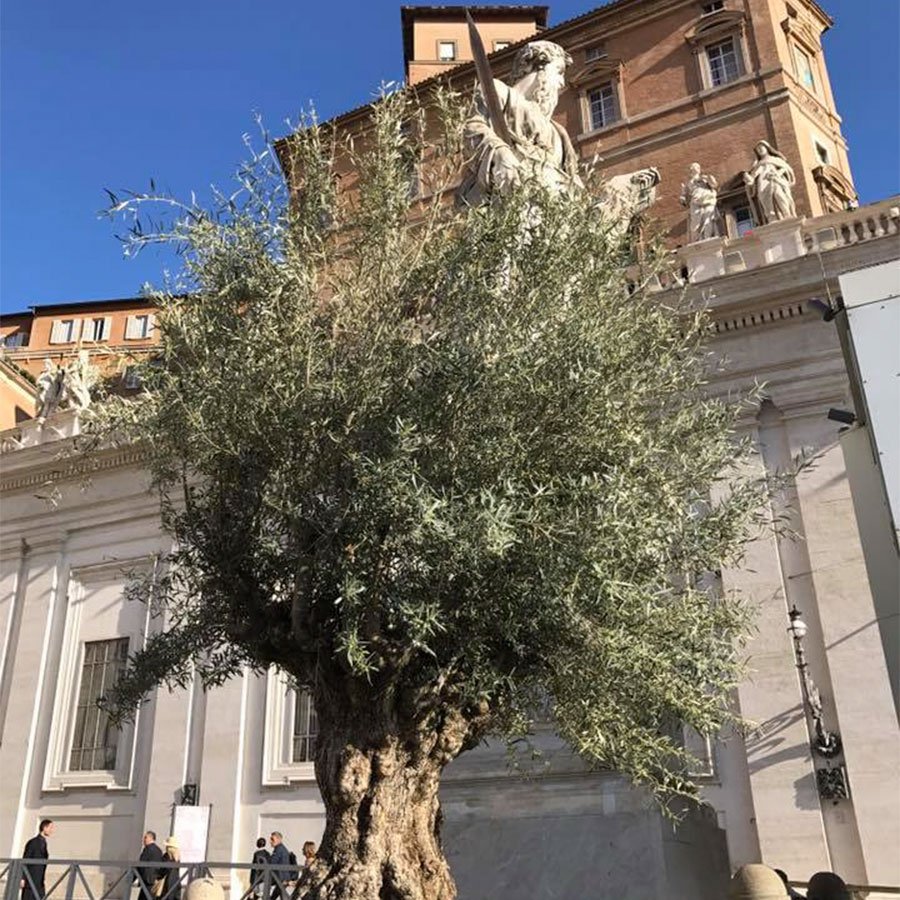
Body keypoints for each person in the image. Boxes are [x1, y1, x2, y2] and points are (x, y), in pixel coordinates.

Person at [460, 39, 582, 203]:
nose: (561, 83)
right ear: (537, 66)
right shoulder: (498, 91)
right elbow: (473, 128)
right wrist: (500, 153)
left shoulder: (558, 131)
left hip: (553, 208)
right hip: (510, 199)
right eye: (559, 71)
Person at [743, 139, 797, 224]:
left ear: (767, 148)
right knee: (765, 199)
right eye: (758, 149)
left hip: (775, 180)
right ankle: (771, 217)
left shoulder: (775, 159)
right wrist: (749, 179)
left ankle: (786, 214)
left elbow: (785, 168)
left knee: (779, 195)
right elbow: (754, 175)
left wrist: (778, 173)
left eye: (761, 147)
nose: (760, 149)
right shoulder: (758, 164)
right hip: (763, 182)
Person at [680, 162, 722, 241]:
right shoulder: (688, 183)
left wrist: (709, 179)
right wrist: (682, 198)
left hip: (707, 198)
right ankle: (698, 239)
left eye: (696, 167)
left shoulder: (704, 178)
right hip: (695, 201)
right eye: (693, 167)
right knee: (695, 222)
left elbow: (714, 185)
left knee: (708, 219)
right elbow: (684, 194)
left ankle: (708, 238)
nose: (694, 168)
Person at [20, 819, 53, 900]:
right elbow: (25, 859)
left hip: (40, 882)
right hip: (30, 880)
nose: (52, 830)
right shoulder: (33, 842)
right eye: (50, 827)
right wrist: (22, 878)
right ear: (44, 828)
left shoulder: (44, 842)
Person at [135, 832, 165, 897]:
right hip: (154, 880)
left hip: (146, 880)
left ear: (151, 838)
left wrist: (133, 877)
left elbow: (141, 864)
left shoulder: (148, 849)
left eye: (146, 837)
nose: (143, 839)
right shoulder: (159, 850)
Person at [268, 832, 292, 898]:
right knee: (276, 896)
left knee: (277, 896)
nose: (270, 841)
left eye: (272, 839)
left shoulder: (279, 849)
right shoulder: (280, 848)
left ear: (279, 840)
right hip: (281, 877)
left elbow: (272, 862)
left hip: (281, 878)